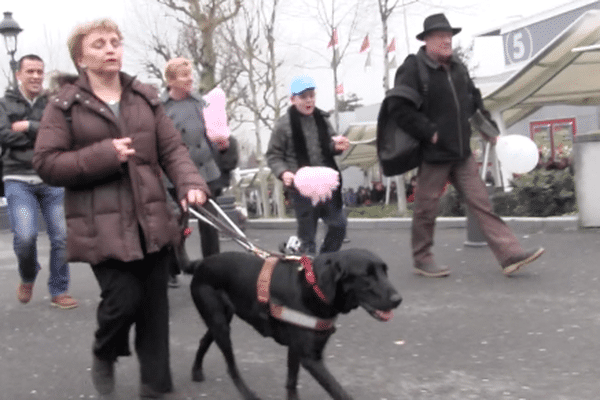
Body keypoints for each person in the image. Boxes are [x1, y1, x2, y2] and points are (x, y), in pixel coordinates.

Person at [32, 19, 209, 399]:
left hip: (152, 218)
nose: (111, 48)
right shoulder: (63, 105)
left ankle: (155, 387)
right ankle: (105, 350)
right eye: (99, 44)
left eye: (116, 42)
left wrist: (190, 184)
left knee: (154, 309)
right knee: (122, 301)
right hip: (100, 225)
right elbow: (46, 163)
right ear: (81, 57)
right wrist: (103, 155)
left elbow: (173, 150)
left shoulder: (144, 97)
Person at [391, 13, 544, 277]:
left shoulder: (459, 68)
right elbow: (399, 108)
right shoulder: (413, 69)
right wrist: (428, 131)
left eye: (449, 36)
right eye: (441, 36)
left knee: (481, 203)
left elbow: (474, 102)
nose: (447, 40)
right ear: (427, 40)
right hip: (432, 153)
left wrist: (490, 132)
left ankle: (509, 254)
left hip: (461, 152)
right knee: (426, 209)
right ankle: (422, 258)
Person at [0, 54, 77, 309]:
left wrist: (28, 126)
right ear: (18, 75)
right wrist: (41, 132)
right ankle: (28, 274)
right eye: (30, 71)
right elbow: (3, 137)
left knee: (62, 237)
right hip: (17, 177)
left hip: (51, 176)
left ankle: (59, 289)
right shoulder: (3, 104)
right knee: (25, 237)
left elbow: (60, 133)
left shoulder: (52, 103)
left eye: (39, 71)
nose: (35, 76)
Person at [161, 57, 238, 286]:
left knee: (210, 223)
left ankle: (212, 268)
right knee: (177, 223)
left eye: (190, 74)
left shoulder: (201, 103)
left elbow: (212, 133)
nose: (190, 79)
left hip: (205, 170)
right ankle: (172, 267)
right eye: (184, 75)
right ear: (171, 81)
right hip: (176, 174)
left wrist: (221, 145)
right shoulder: (162, 109)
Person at [266, 75, 350, 256]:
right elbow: (273, 156)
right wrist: (283, 173)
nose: (309, 100)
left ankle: (325, 260)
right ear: (293, 99)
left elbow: (330, 144)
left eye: (312, 95)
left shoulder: (322, 118)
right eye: (304, 97)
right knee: (307, 237)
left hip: (327, 185)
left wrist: (336, 146)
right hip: (301, 188)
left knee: (339, 226)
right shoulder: (282, 125)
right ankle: (307, 273)